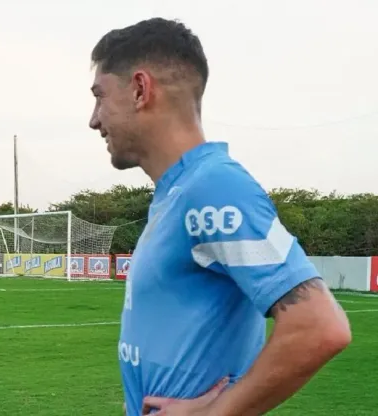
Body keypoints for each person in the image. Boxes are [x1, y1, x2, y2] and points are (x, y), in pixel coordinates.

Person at [88, 18, 352, 416]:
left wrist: (215, 413)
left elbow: (319, 327)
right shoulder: (177, 193)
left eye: (100, 96)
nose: (94, 119)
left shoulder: (213, 187)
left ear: (141, 89)